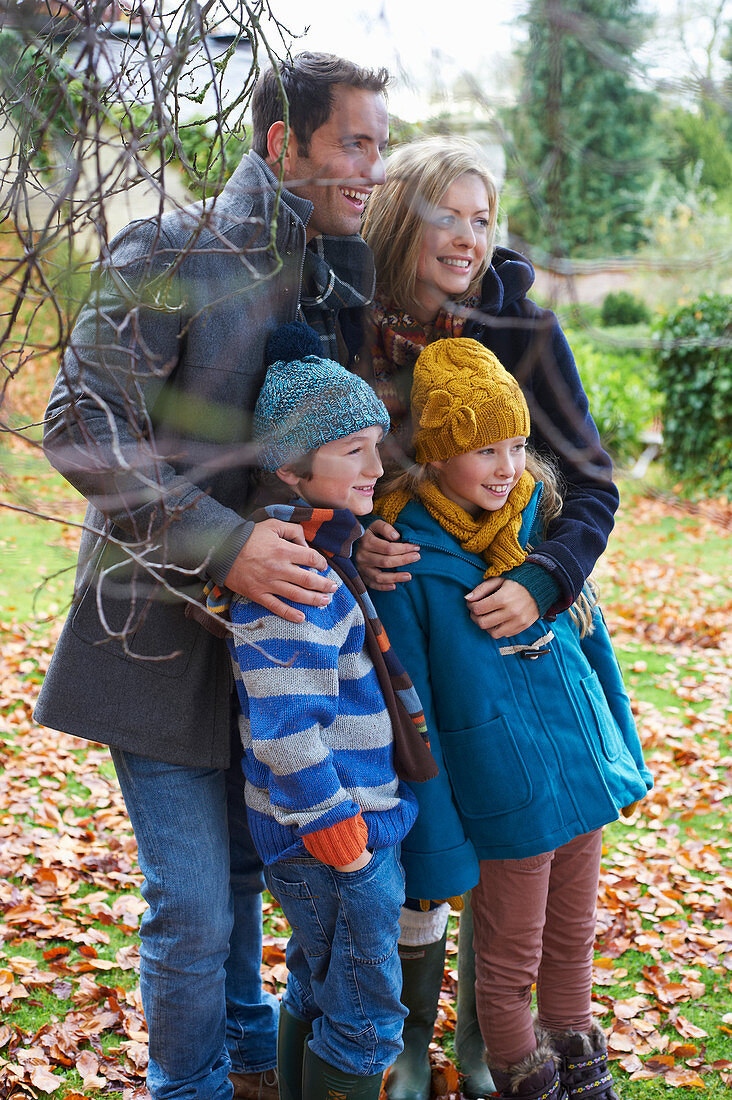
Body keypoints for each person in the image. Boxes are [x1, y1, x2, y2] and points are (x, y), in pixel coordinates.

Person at [33, 53, 390, 1100]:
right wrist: (225, 543)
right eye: (354, 143)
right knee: (191, 902)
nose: (373, 167)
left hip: (285, 654)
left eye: (382, 142)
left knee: (248, 880)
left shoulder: (338, 272)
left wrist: (364, 536)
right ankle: (184, 1085)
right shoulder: (169, 247)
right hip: (158, 630)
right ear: (284, 145)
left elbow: (329, 453)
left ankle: (247, 1064)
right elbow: (80, 423)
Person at [357, 135, 621, 1100]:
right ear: (403, 216)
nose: (466, 238)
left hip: (519, 619)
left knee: (525, 831)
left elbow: (591, 486)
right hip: (411, 623)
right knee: (425, 829)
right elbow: (319, 471)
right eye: (447, 216)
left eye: (483, 219)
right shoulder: (354, 330)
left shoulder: (525, 336)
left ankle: (496, 1051)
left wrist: (546, 579)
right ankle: (405, 1042)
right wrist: (356, 540)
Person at [369, 337, 653, 1100]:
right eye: (484, 447)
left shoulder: (538, 528)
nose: (507, 465)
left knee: (571, 943)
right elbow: (414, 712)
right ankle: (526, 1082)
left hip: (576, 780)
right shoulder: (405, 562)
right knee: (507, 960)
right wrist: (441, 842)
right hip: (503, 799)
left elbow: (595, 659)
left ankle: (580, 1069)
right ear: (434, 455)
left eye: (519, 444)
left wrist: (616, 755)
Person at [205, 323, 437, 1100]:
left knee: (318, 987)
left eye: (377, 443)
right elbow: (283, 723)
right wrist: (336, 826)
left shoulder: (327, 551)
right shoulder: (296, 570)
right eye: (352, 450)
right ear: (291, 466)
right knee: (368, 1021)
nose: (378, 465)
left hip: (345, 830)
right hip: (333, 837)